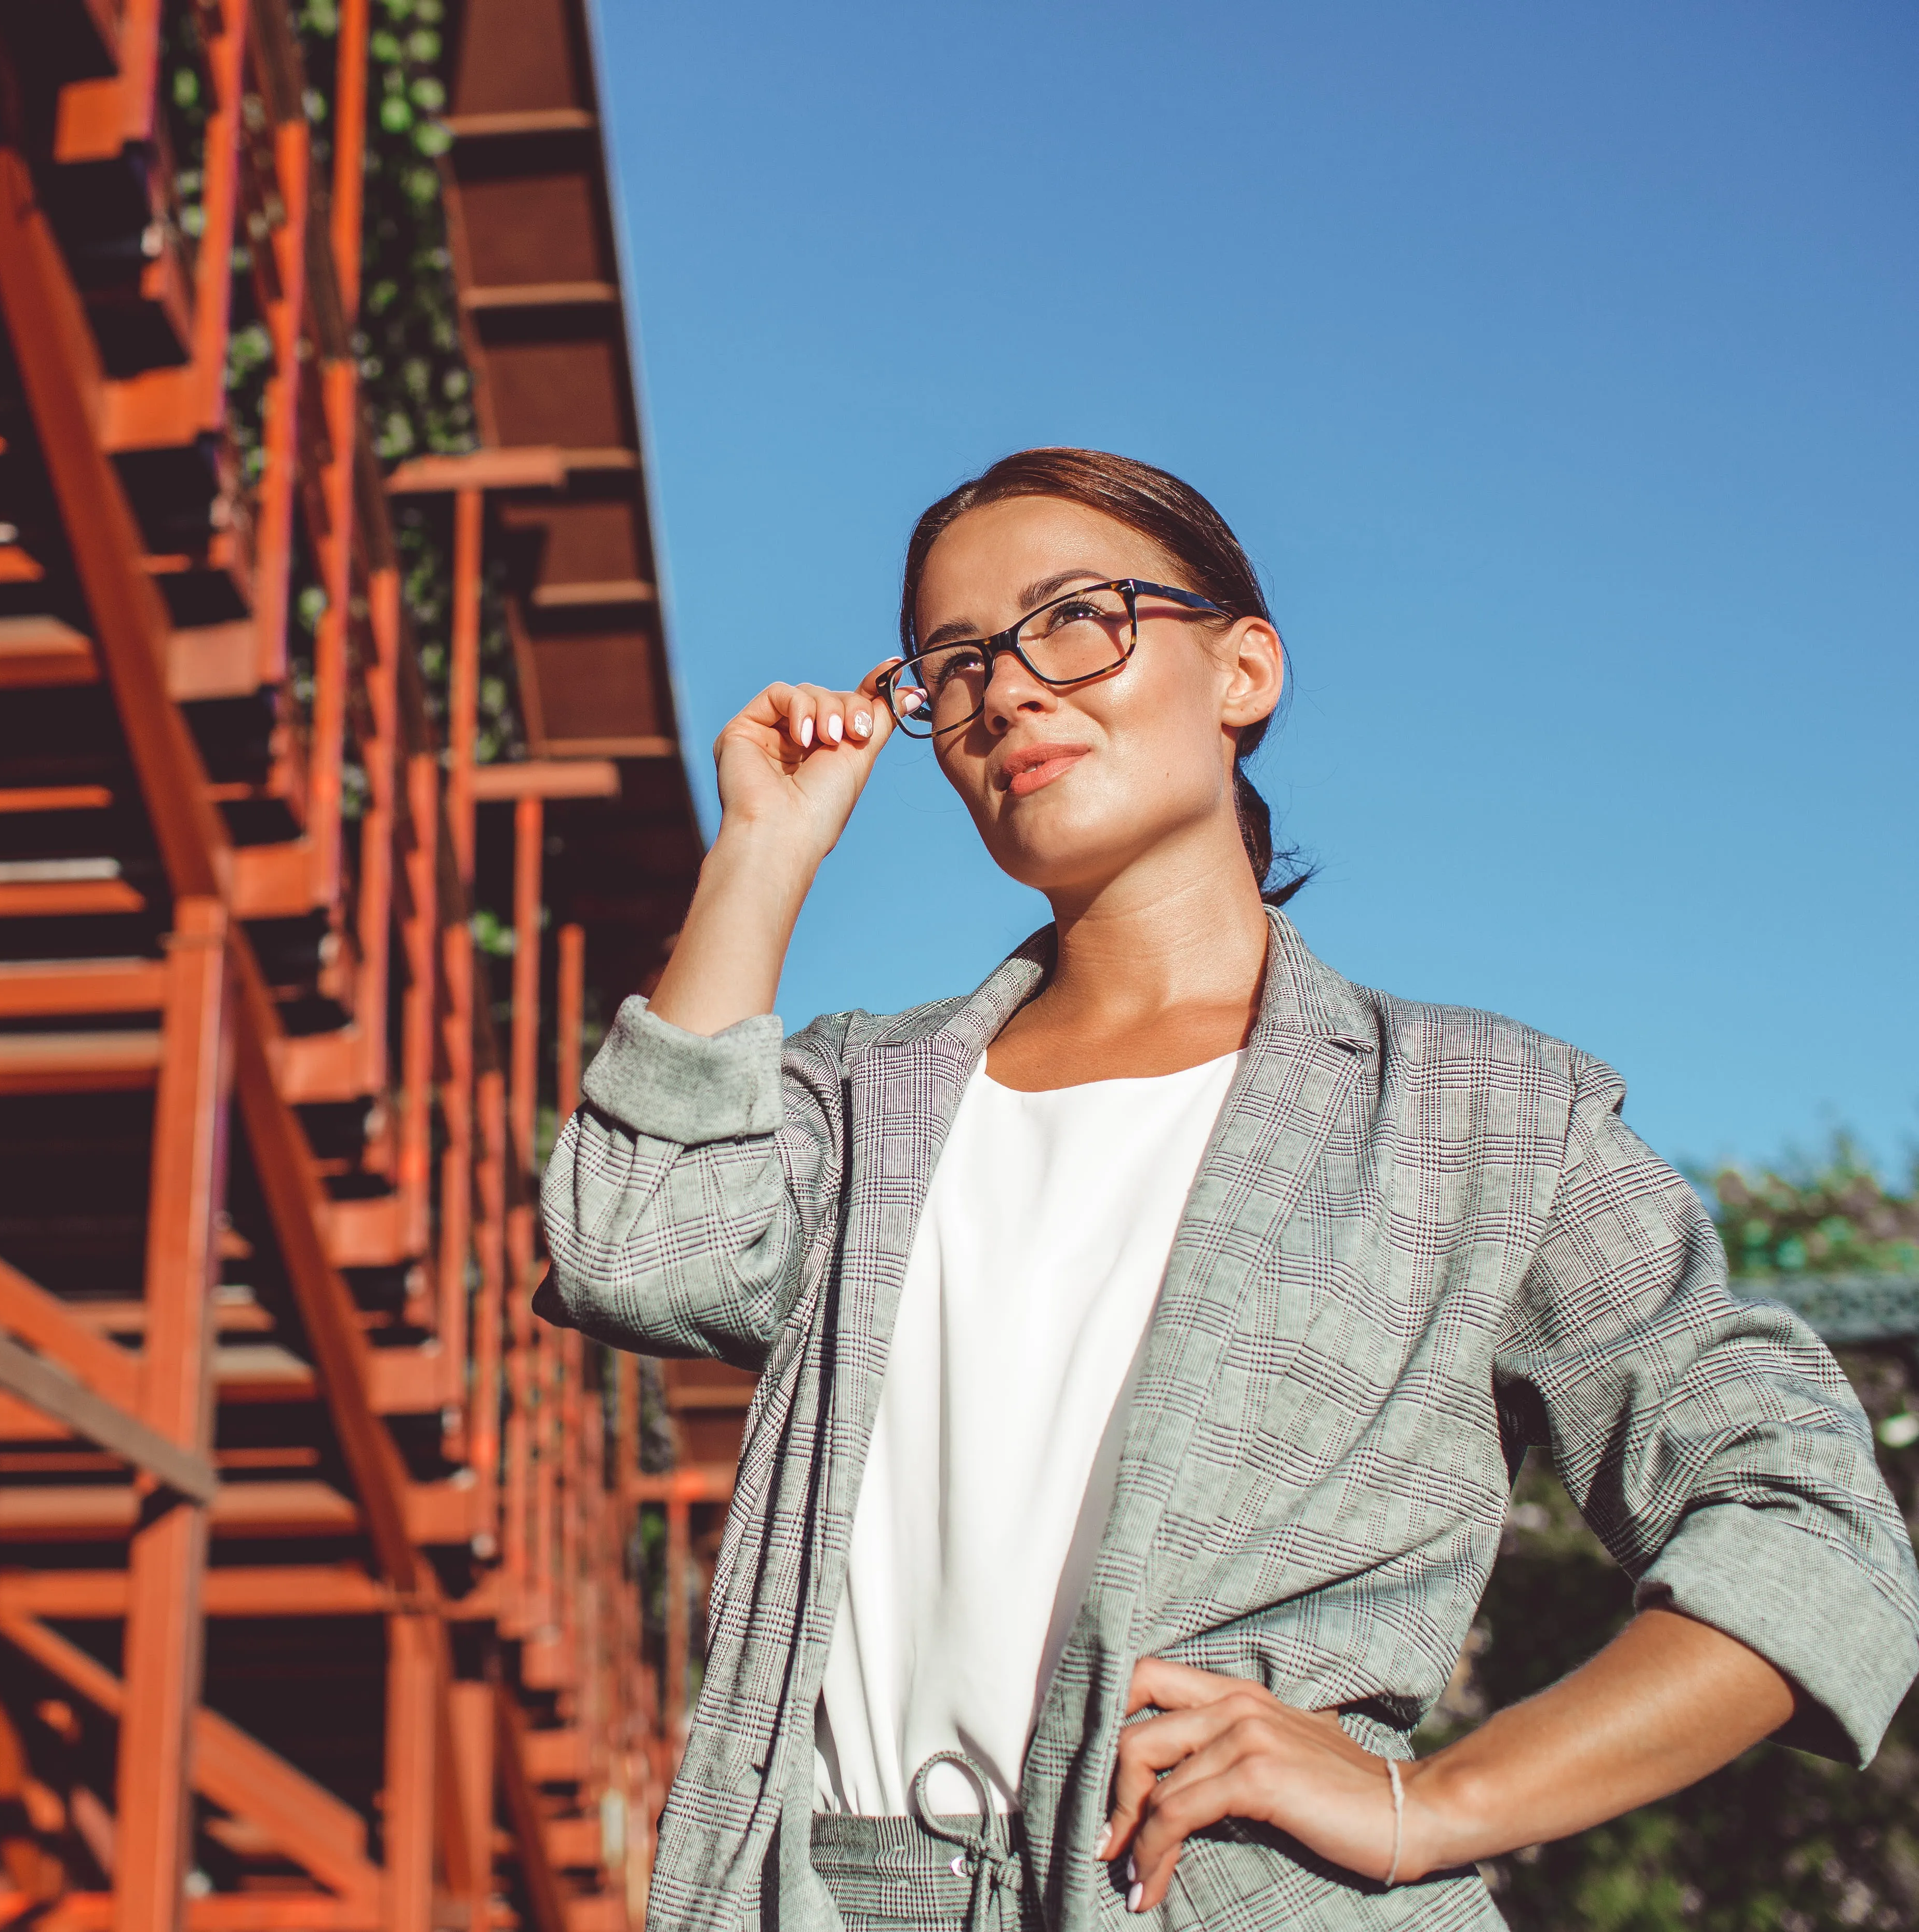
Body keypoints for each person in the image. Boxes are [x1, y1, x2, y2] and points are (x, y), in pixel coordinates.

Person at [537, 448, 1918, 1932]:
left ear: (1242, 667)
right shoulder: (862, 1100)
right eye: (953, 663)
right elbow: (631, 1245)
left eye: (1076, 617)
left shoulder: (1483, 1117)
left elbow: (1810, 1534)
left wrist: (1430, 1805)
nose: (1005, 689)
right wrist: (763, 850)